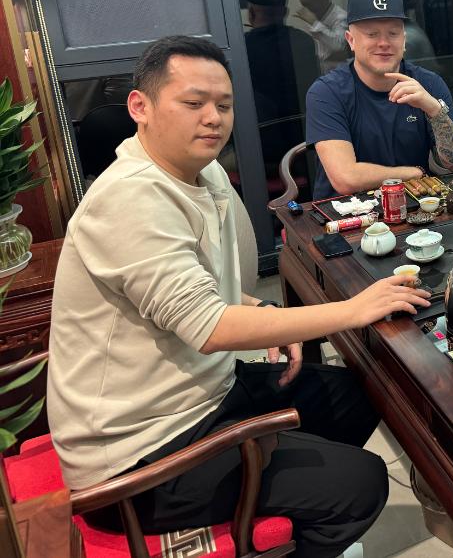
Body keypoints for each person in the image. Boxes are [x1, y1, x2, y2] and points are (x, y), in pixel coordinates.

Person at [46, 35, 430, 558]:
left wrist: (262, 309)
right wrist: (351, 310)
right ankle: (305, 513)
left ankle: (297, 503)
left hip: (202, 393)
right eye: (193, 102)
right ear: (140, 106)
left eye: (224, 106)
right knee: (362, 483)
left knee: (355, 394)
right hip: (140, 454)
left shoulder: (198, 173)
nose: (213, 118)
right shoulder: (129, 198)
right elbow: (209, 327)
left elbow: (199, 291)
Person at [305, 0, 453, 199]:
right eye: (372, 34)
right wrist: (413, 173)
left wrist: (434, 110)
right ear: (351, 40)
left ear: (403, 40)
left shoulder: (428, 84)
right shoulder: (326, 92)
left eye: (393, 33)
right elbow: (346, 179)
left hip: (414, 206)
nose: (384, 43)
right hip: (347, 211)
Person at [244, 0, 322, 174]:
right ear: (285, 12)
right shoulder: (304, 42)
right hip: (305, 149)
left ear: (250, 13)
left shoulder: (242, 48)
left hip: (261, 154)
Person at [294, 0, 352, 73]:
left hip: (340, 73)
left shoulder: (341, 17)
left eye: (309, 4)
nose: (306, 10)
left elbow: (338, 46)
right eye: (303, 5)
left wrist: (315, 23)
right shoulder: (316, 15)